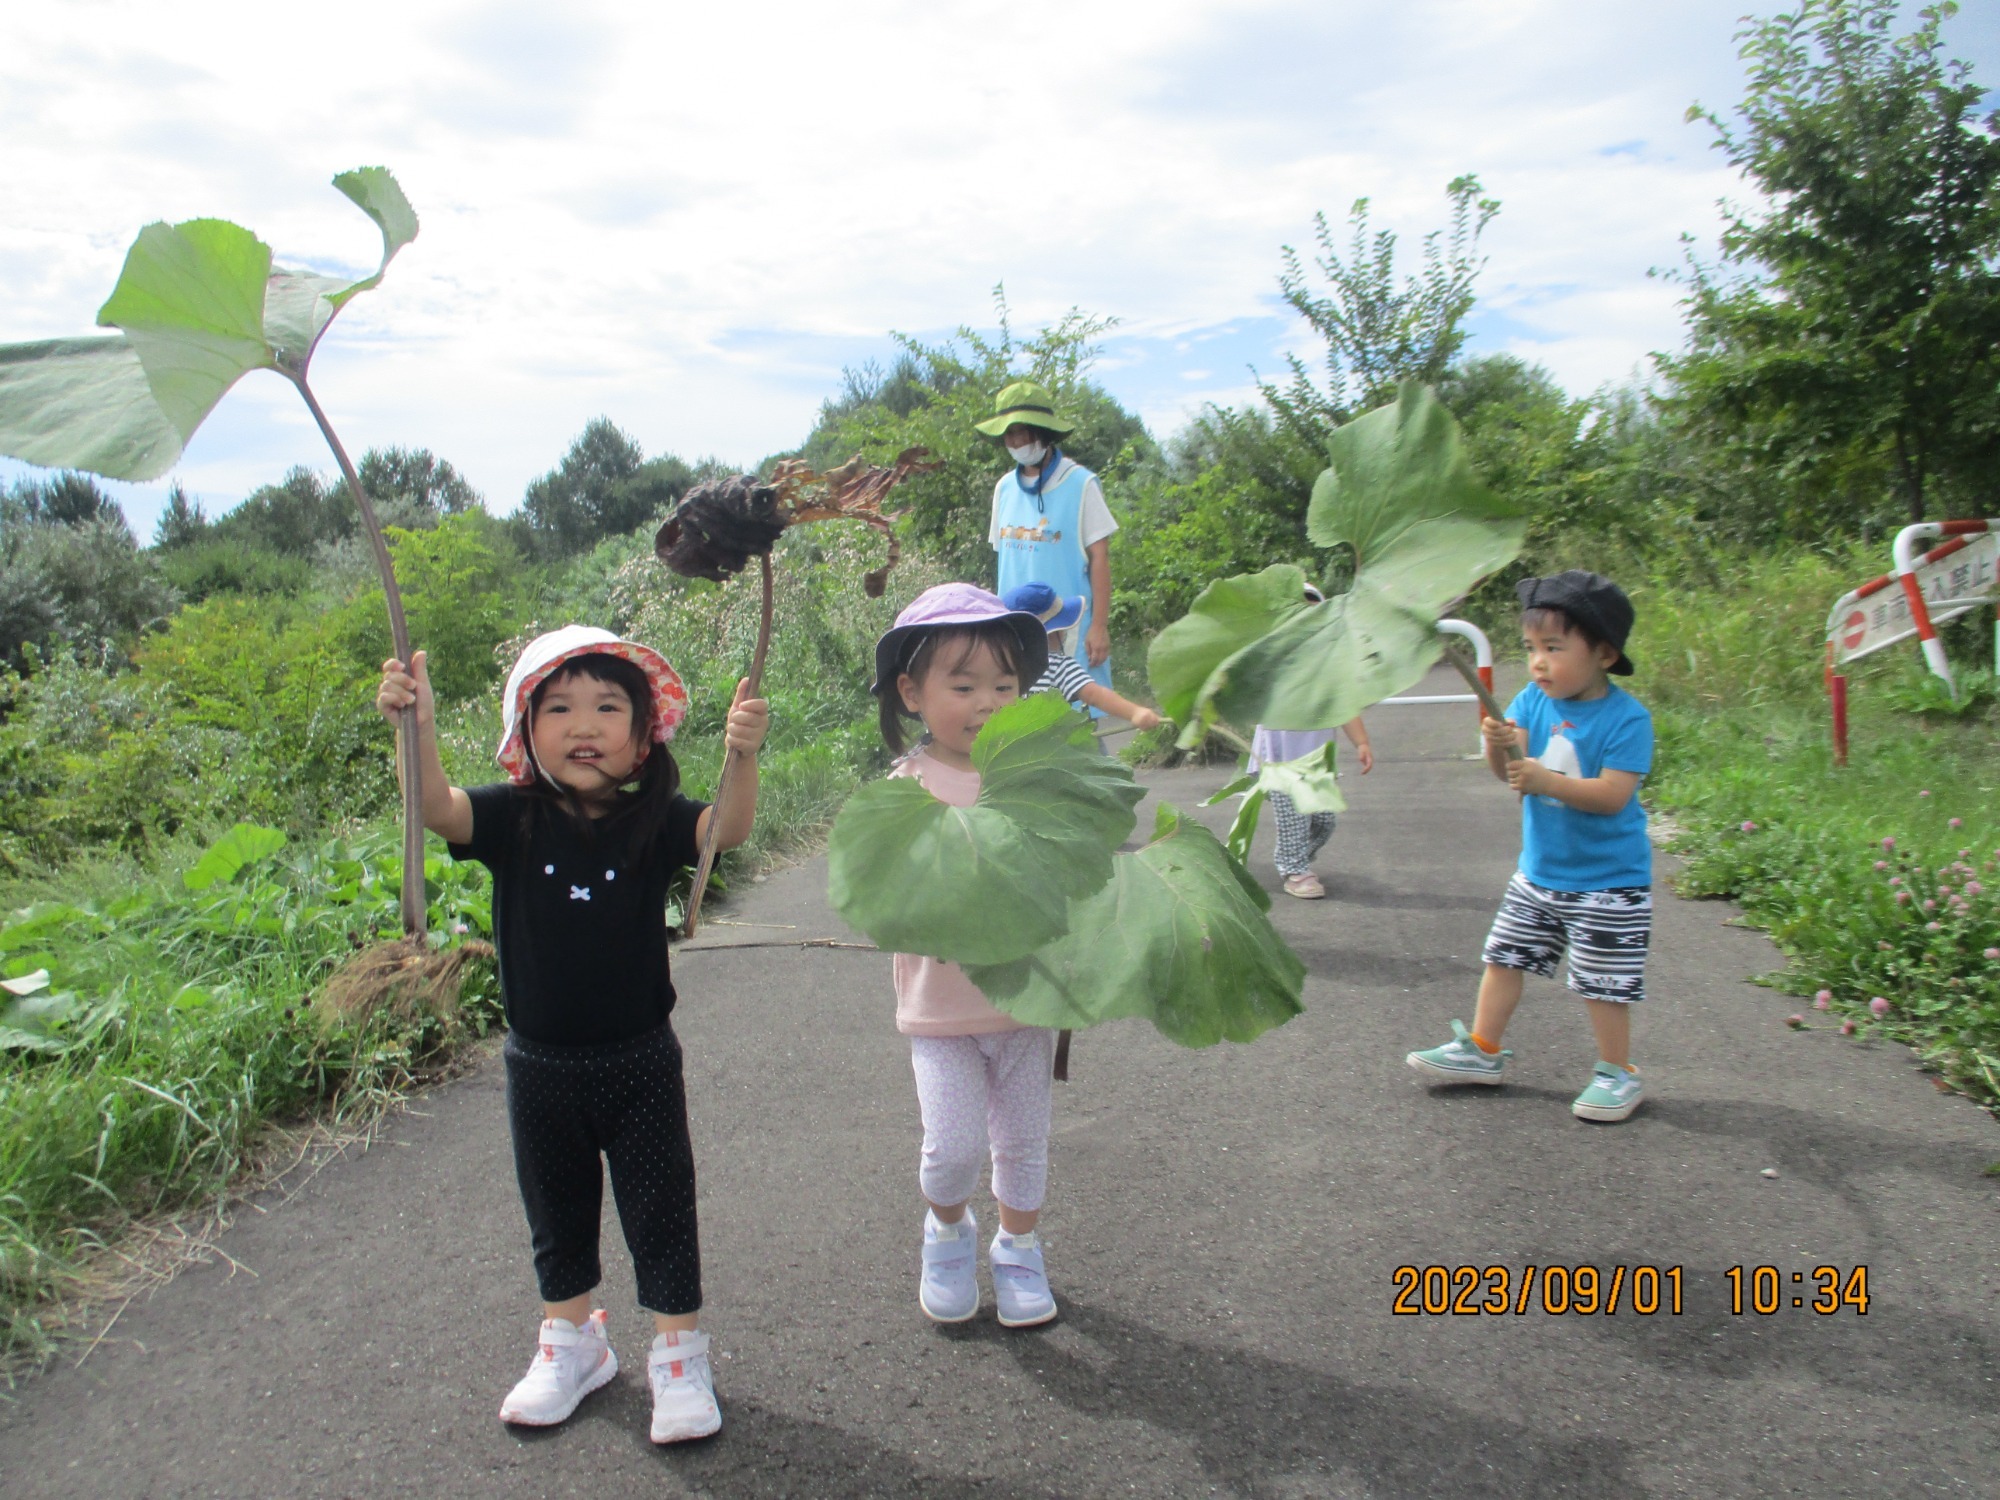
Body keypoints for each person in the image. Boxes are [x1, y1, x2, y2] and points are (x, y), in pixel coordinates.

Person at [375, 625, 769, 1442]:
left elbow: (724, 833)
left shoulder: (656, 819)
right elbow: (435, 808)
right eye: (558, 708)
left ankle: (678, 1354)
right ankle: (570, 1342)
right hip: (539, 1067)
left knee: (660, 1206)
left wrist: (744, 756)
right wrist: (414, 732)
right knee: (556, 1209)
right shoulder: (508, 819)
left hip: (641, 1061)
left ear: (642, 736)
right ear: (526, 732)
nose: (582, 724)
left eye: (605, 706)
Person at [871, 582, 1065, 1328]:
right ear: (912, 692)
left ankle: (1019, 1249)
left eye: (1005, 685)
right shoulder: (907, 787)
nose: (988, 700)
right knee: (950, 1150)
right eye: (964, 684)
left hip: (1026, 1002)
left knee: (1022, 1144)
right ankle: (948, 1230)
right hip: (939, 1009)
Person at [1405, 571, 1653, 1123]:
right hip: (1539, 874)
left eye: (1554, 649)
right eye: (1530, 648)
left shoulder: (1628, 719)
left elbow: (1613, 795)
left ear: (1605, 654)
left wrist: (1548, 782)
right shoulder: (1528, 701)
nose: (1537, 662)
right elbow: (1507, 774)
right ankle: (1483, 1049)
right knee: (1503, 958)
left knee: (1603, 984)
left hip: (1609, 881)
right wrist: (1499, 747)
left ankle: (1618, 1073)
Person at [980, 381, 1119, 708]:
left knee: (1080, 725)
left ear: (1044, 432)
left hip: (1067, 632)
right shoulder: (1004, 489)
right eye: (1008, 434)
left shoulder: (1081, 484)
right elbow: (1005, 565)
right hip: (1016, 635)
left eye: (1022, 432)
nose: (1015, 441)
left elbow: (1099, 558)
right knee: (1024, 728)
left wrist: (1099, 626)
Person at [1250, 584, 1372, 899]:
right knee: (1293, 818)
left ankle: (1297, 859)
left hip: (1316, 762)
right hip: (1280, 761)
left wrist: (1361, 742)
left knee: (1325, 821)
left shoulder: (1328, 668)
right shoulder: (1272, 662)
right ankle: (1295, 870)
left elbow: (1345, 708)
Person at [1001, 581, 1162, 731]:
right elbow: (1094, 695)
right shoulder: (1058, 665)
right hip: (1051, 753)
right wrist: (1135, 712)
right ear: (1053, 632)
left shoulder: (1001, 666)